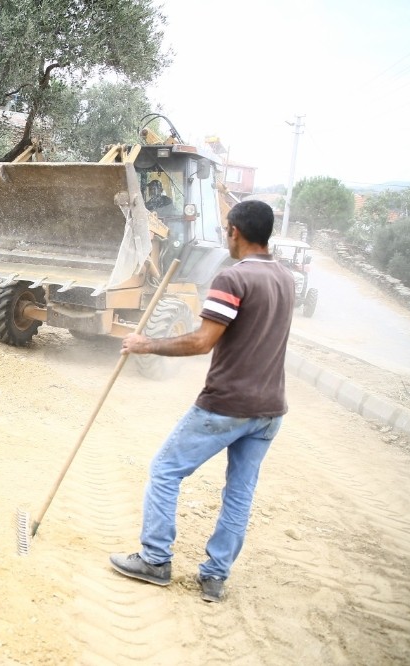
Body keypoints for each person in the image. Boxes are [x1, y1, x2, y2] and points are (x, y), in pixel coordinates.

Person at [109, 200, 295, 603]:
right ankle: (214, 578)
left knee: (165, 469)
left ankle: (155, 560)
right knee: (240, 493)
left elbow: (201, 341)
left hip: (227, 404)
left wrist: (146, 344)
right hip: (269, 409)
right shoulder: (285, 277)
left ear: (234, 231)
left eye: (228, 229)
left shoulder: (233, 278)